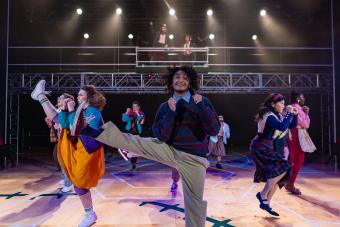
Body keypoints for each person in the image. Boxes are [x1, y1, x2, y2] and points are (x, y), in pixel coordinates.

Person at [81, 66, 220, 227]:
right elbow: (162, 136)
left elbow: (214, 130)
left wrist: (202, 107)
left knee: (195, 205)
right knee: (138, 142)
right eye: (176, 77)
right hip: (170, 151)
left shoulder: (203, 101)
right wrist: (171, 112)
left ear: (189, 83)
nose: (180, 80)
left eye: (185, 77)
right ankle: (92, 130)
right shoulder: (165, 107)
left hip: (195, 160)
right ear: (171, 82)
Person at [31, 81, 106, 227]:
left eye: (81, 95)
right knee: (79, 185)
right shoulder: (82, 110)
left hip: (87, 152)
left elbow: (76, 129)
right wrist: (65, 110)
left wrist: (70, 110)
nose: (78, 97)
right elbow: (65, 124)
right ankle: (40, 96)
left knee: (80, 184)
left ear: (89, 98)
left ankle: (90, 214)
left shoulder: (92, 111)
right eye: (78, 94)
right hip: (79, 149)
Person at [250, 93, 298, 216]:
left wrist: (295, 115)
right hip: (260, 147)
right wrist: (288, 113)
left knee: (280, 176)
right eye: (281, 103)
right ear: (273, 104)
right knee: (284, 166)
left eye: (284, 103)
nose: (283, 105)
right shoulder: (268, 115)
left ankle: (266, 203)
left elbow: (291, 126)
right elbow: (282, 127)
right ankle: (262, 194)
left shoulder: (275, 115)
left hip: (266, 146)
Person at [286, 92, 312, 195]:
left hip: (293, 133)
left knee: (293, 158)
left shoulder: (294, 107)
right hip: (296, 133)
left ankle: (289, 181)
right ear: (297, 98)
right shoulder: (296, 108)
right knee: (300, 158)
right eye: (302, 97)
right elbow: (306, 124)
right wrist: (306, 113)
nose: (304, 98)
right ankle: (290, 183)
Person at [119, 101, 145, 170]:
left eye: (136, 106)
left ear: (139, 107)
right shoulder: (130, 113)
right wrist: (127, 112)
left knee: (135, 150)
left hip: (136, 133)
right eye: (133, 106)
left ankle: (133, 166)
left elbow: (141, 122)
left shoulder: (141, 114)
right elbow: (124, 119)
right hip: (128, 132)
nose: (134, 108)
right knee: (125, 144)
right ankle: (125, 152)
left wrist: (137, 114)